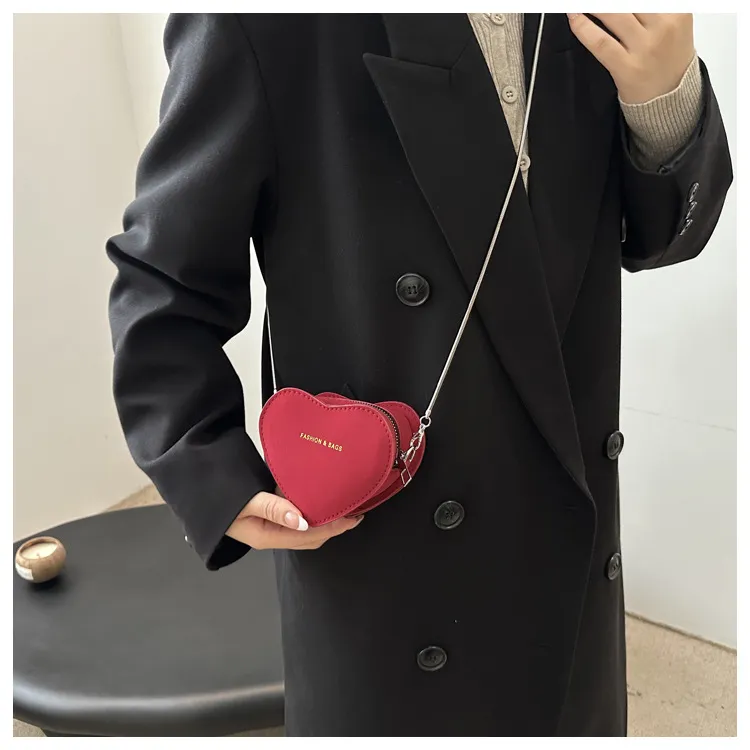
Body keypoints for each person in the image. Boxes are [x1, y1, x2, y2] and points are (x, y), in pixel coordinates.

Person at [106, 13, 732, 737]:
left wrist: (665, 98)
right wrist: (208, 467)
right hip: (389, 542)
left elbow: (659, 238)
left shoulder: (596, 18)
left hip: (570, 535)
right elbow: (165, 277)